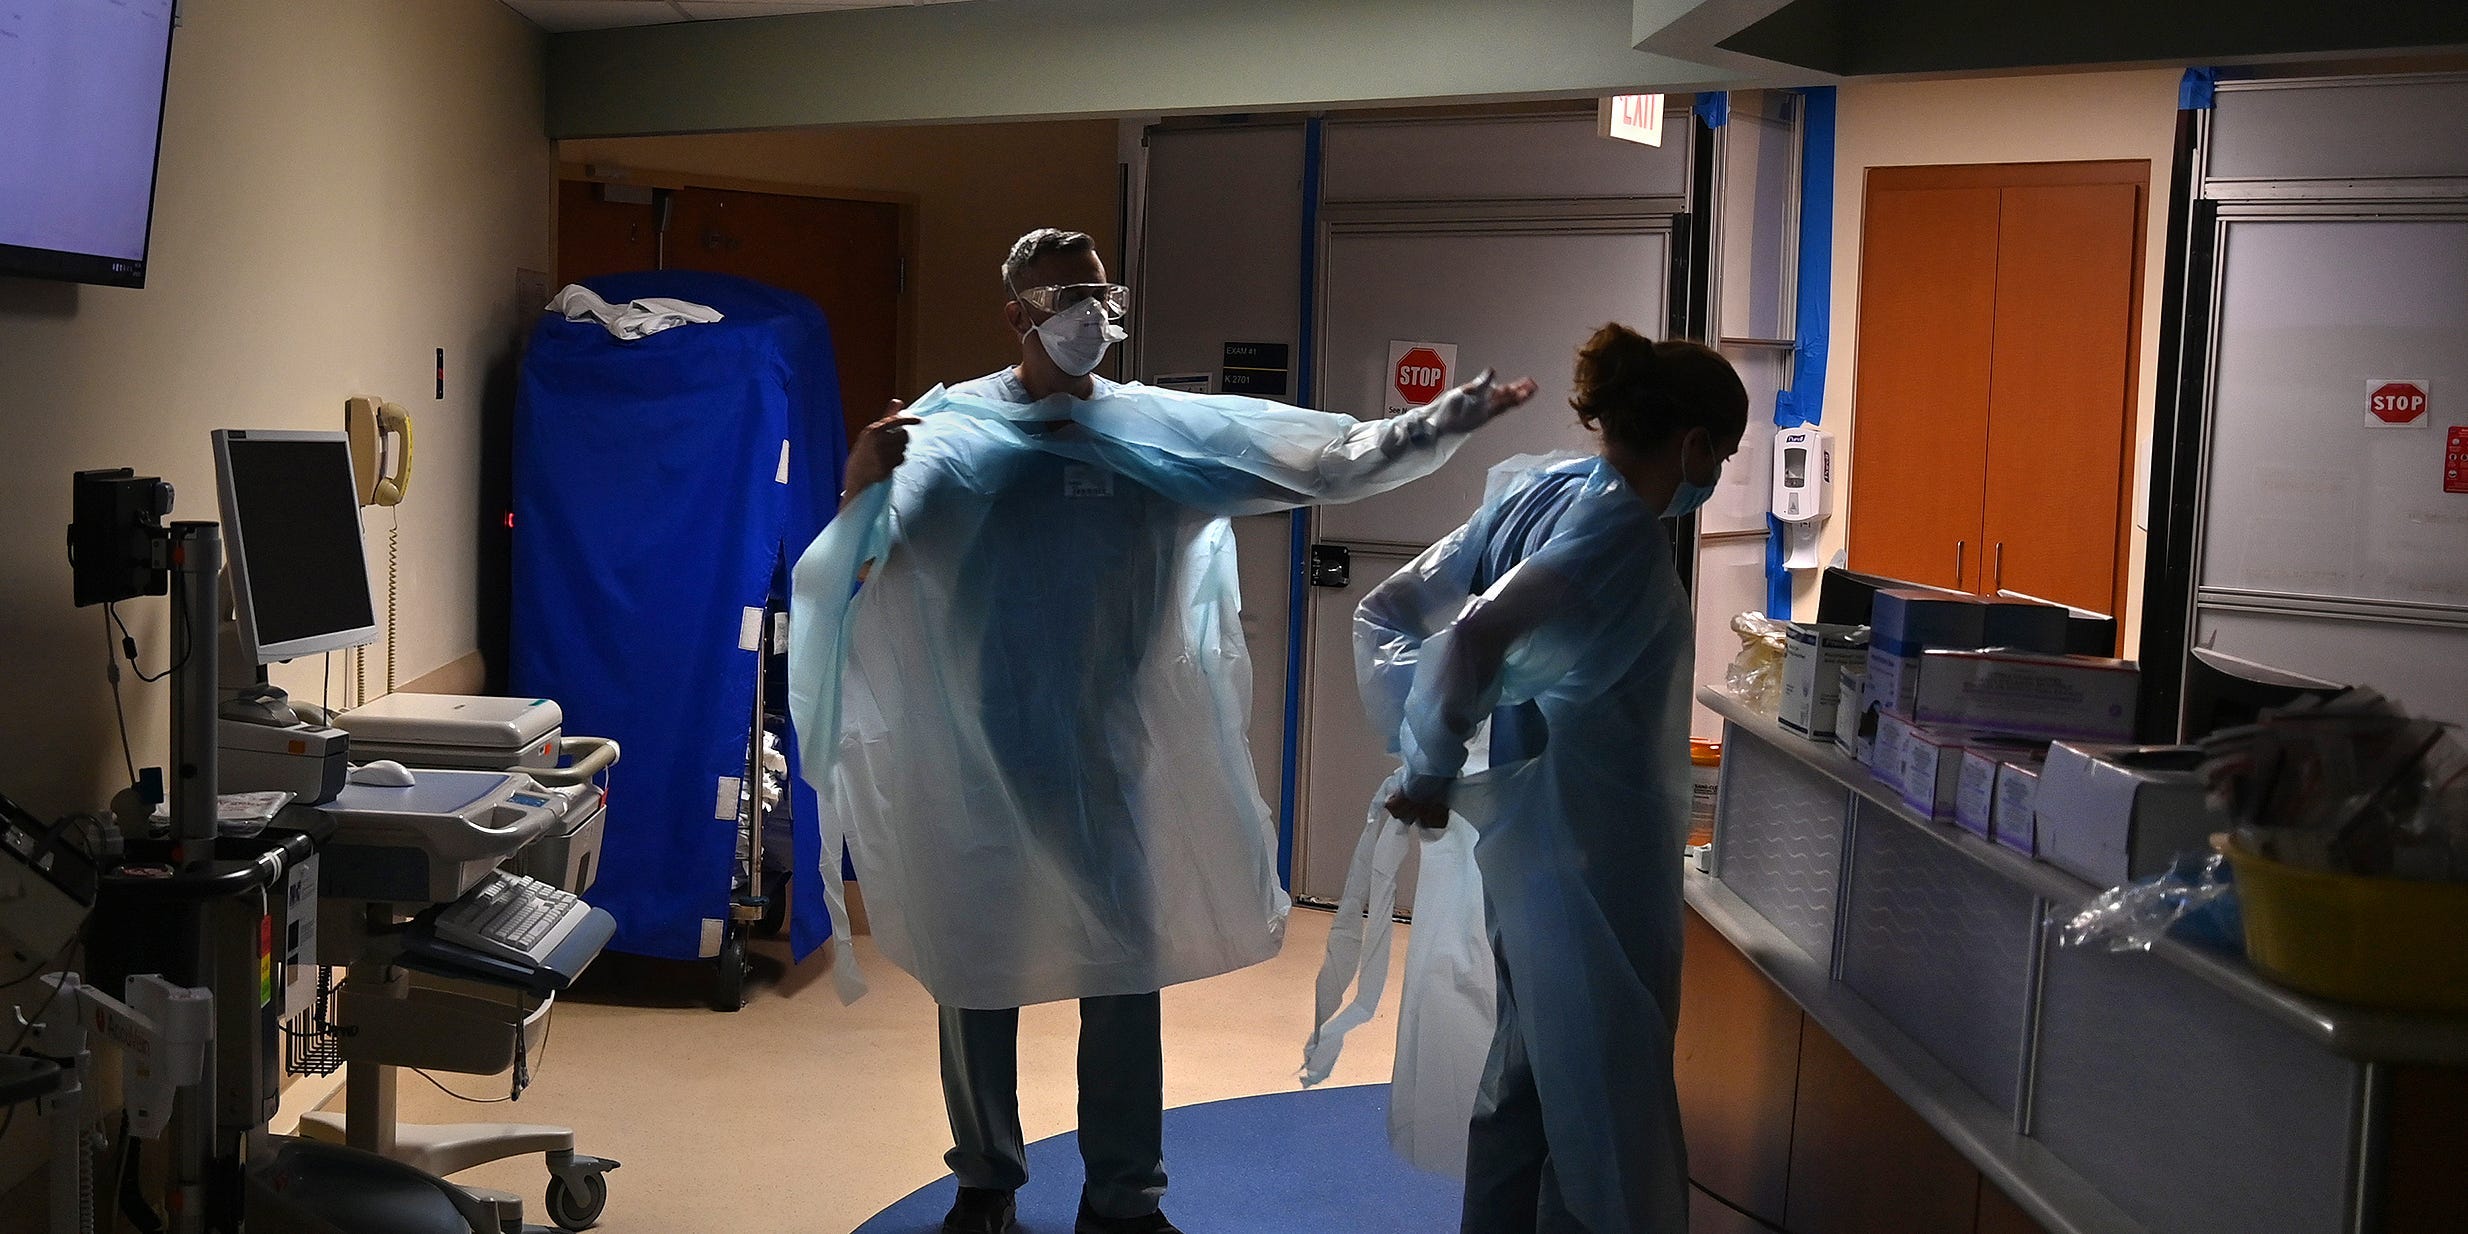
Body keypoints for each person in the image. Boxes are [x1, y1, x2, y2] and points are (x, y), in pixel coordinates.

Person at [789, 227, 1536, 1234]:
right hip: (979, 747)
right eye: (1066, 297)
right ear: (1016, 315)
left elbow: (1326, 457)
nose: (1090, 314)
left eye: (1101, 293)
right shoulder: (952, 433)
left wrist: (1449, 415)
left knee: (1124, 967)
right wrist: (858, 479)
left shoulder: (1155, 432)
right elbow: (858, 567)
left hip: (1109, 746)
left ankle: (1123, 1198)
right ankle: (985, 1181)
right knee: (977, 965)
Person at [1350, 323, 1747, 1233]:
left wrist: (1432, 750)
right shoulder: (1616, 535)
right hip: (1594, 863)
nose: (1715, 472)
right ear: (1692, 444)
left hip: (1531, 852)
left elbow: (1394, 607)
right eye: (1721, 452)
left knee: (1526, 1077)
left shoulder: (1545, 490)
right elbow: (1481, 634)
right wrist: (1431, 766)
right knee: (1603, 1112)